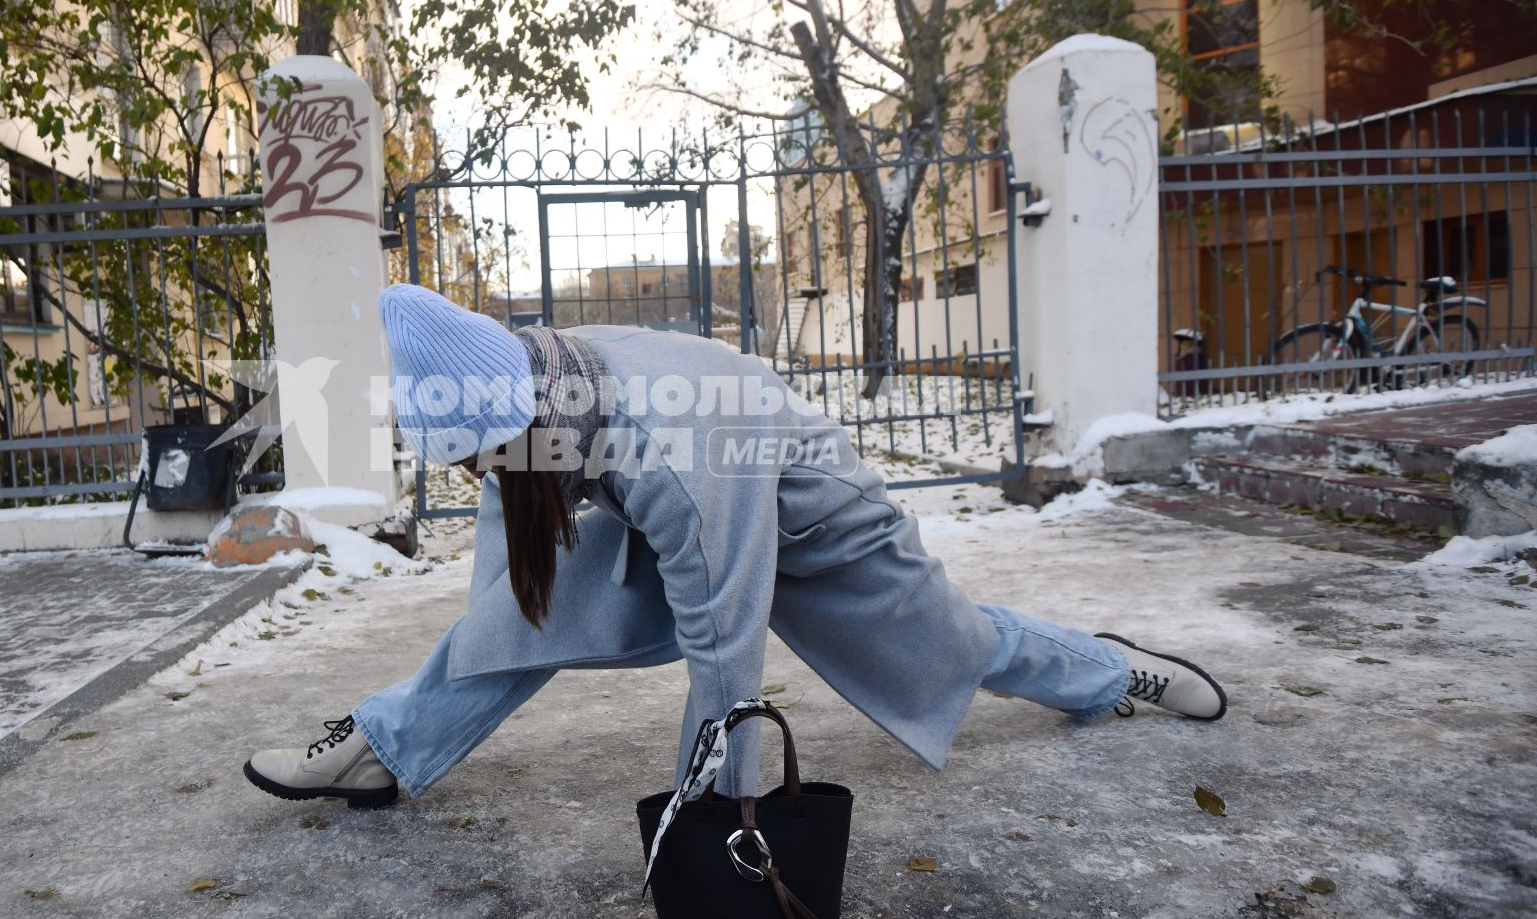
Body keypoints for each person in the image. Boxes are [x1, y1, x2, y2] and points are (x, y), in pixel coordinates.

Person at [244, 284, 1225, 810]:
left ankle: (1110, 673)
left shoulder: (668, 450)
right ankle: (382, 746)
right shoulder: (544, 374)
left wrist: (719, 815)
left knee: (962, 646)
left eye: (475, 461)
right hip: (708, 507)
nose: (472, 480)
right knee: (519, 616)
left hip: (828, 531)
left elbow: (727, 650)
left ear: (516, 423)